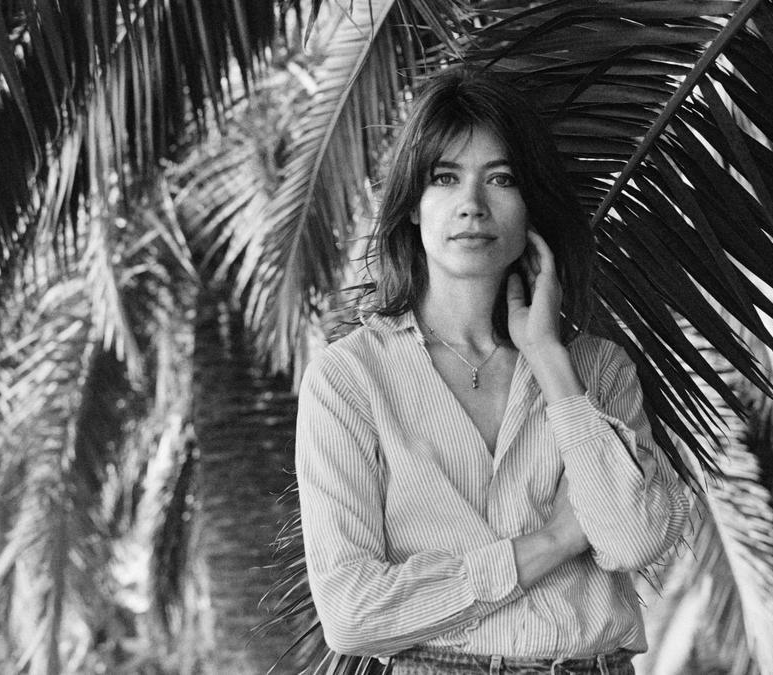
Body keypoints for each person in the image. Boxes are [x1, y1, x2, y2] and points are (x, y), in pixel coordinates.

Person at [295, 69, 690, 675]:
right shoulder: (349, 380)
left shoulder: (596, 371)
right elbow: (352, 615)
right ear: (411, 208)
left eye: (500, 179)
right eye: (445, 178)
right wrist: (552, 541)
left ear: (532, 208)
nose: (472, 206)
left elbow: (632, 539)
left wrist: (551, 362)